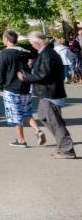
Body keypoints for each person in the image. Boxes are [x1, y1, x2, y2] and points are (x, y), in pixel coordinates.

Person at [18, 31, 76, 159]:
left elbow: (42, 75)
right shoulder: (47, 53)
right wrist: (33, 65)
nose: (31, 45)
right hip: (49, 93)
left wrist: (25, 77)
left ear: (36, 43)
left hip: (50, 93)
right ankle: (63, 146)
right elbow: (44, 71)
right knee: (44, 117)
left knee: (56, 123)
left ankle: (67, 150)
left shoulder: (47, 54)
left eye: (32, 43)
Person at [0, 29, 43, 147]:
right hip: (26, 87)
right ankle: (37, 130)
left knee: (15, 115)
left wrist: (0, 86)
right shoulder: (26, 52)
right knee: (27, 113)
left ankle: (21, 140)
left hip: (11, 88)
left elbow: (0, 73)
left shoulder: (4, 54)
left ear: (6, 39)